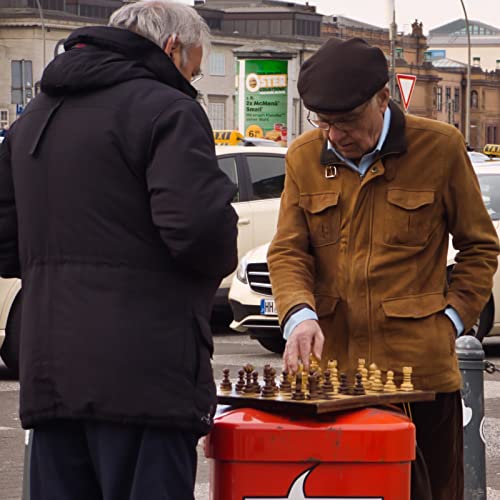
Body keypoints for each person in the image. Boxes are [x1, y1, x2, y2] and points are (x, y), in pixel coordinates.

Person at [0, 1, 238, 498]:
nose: (192, 81)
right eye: (194, 68)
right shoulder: (169, 110)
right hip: (146, 377)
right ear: (172, 49)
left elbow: (5, 245)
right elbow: (201, 234)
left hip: (50, 375)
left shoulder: (33, 118)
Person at [267, 37, 500, 500]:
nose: (335, 134)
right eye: (324, 122)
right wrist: (299, 315)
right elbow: (289, 252)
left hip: (422, 379)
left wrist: (451, 321)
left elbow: (479, 246)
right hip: (333, 379)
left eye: (347, 121)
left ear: (383, 97)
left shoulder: (440, 148)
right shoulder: (303, 157)